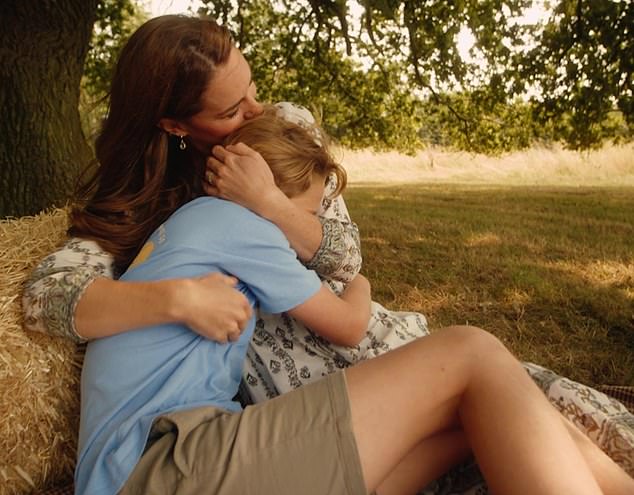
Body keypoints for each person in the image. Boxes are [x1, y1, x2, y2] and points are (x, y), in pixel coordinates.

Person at [21, 14, 633, 492]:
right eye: (232, 108)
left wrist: (274, 204)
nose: (257, 111)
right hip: (271, 412)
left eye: (253, 88)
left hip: (350, 376)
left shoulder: (279, 141)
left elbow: (344, 259)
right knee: (488, 376)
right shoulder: (151, 211)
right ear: (175, 124)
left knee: (540, 413)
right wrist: (178, 299)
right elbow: (50, 297)